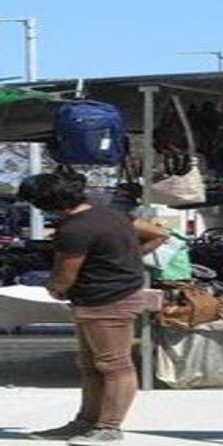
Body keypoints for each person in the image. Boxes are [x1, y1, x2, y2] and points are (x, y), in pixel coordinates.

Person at [19, 173, 167, 445]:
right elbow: (159, 234)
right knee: (91, 366)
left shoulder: (74, 229)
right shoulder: (111, 214)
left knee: (114, 366)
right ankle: (86, 422)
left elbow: (63, 279)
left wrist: (53, 288)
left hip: (104, 300)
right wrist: (126, 259)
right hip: (114, 295)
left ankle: (109, 427)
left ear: (46, 203)